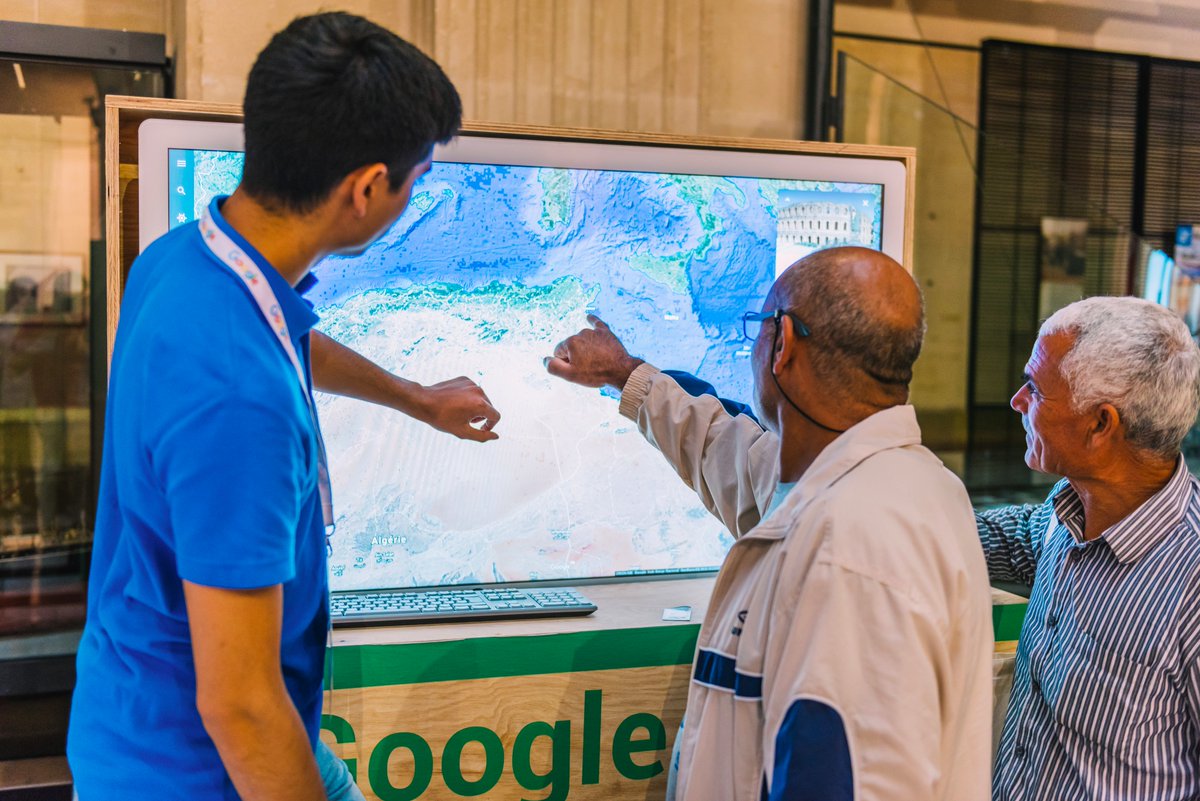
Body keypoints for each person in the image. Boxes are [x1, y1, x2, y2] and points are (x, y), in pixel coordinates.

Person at [67, 13, 498, 801]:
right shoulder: (239, 403)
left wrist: (416, 399)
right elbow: (240, 705)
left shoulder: (186, 262)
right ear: (367, 189)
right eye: (416, 178)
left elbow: (287, 338)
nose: (410, 194)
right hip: (195, 767)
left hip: (129, 702)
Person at [546, 246, 993, 800]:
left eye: (758, 328)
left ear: (782, 344)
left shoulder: (850, 545)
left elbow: (846, 778)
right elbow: (726, 451)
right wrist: (626, 374)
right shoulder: (895, 481)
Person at [978, 296, 1200, 800]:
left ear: (1101, 424)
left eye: (1035, 388)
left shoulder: (1191, 584)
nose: (1017, 401)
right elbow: (1017, 538)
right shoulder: (1072, 511)